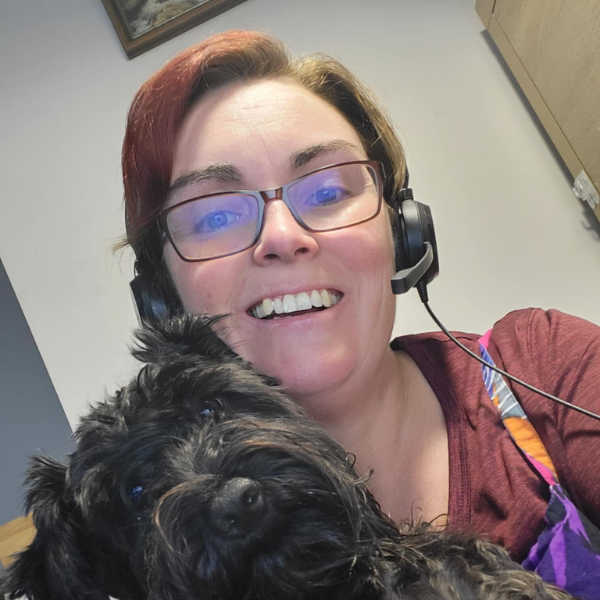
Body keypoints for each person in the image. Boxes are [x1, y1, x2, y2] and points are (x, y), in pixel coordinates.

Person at [119, 30, 600, 592]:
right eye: (215, 216)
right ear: (162, 297)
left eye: (328, 191)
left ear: (403, 231)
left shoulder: (540, 365)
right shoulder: (171, 554)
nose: (284, 237)